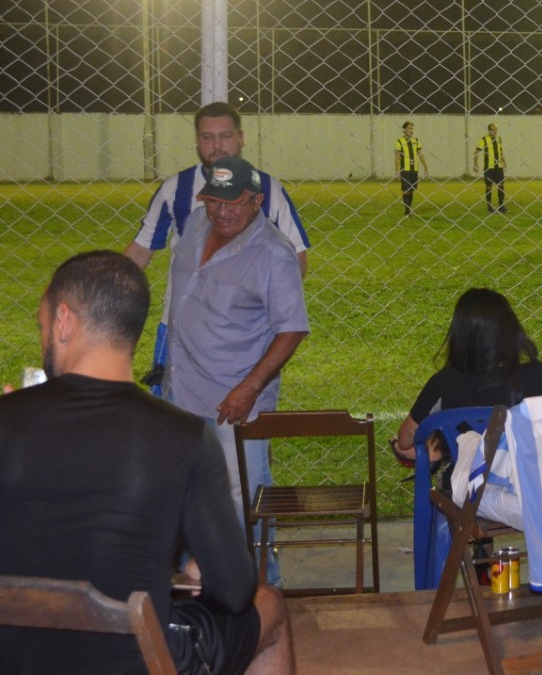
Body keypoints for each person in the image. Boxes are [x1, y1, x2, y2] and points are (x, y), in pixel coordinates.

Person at [0, 250, 294, 675]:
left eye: (42, 324)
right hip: (136, 661)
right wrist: (196, 569)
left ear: (64, 321)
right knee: (269, 604)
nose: (43, 335)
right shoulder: (183, 435)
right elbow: (234, 592)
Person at [165, 156, 310, 585]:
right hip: (181, 392)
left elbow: (292, 329)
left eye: (234, 202)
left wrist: (249, 388)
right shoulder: (195, 224)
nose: (222, 212)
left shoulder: (273, 254)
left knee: (243, 501)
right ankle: (193, 590)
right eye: (214, 201)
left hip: (233, 404)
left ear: (257, 201)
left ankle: (264, 593)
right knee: (186, 496)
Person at [124, 102, 310, 394]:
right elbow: (139, 253)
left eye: (225, 135)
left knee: (239, 408)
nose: (217, 145)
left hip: (243, 332)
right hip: (180, 327)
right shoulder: (176, 188)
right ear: (197, 141)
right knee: (173, 414)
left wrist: (253, 312)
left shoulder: (269, 189)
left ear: (241, 138)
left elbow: (297, 259)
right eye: (207, 137)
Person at [391, 287, 542, 464]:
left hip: (468, 480)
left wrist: (437, 448)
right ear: (512, 331)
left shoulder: (443, 384)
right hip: (532, 479)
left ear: (459, 335)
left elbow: (406, 441)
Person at [395, 121, 429, 217]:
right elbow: (397, 157)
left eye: (412, 128)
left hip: (414, 169)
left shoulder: (416, 140)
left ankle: (409, 210)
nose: (411, 130)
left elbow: (420, 154)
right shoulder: (399, 141)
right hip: (405, 169)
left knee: (411, 190)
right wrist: (397, 171)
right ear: (404, 130)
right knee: (406, 190)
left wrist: (426, 167)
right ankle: (407, 212)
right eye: (409, 128)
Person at [472, 122, 507, 213]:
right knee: (489, 187)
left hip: (498, 167)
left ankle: (501, 206)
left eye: (496, 129)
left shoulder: (499, 139)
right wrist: (475, 164)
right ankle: (489, 206)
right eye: (492, 129)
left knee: (501, 186)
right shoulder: (484, 139)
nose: (494, 131)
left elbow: (501, 152)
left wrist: (505, 163)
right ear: (489, 130)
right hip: (489, 168)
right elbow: (476, 152)